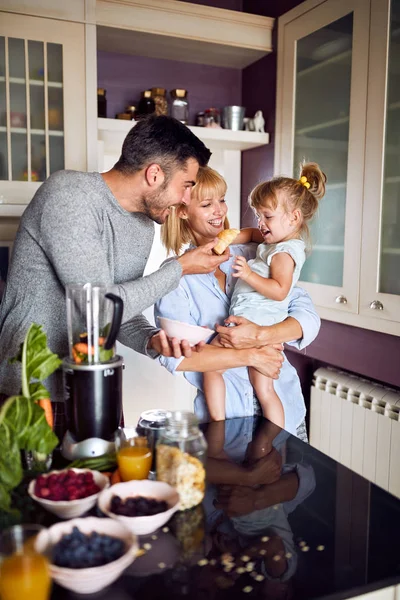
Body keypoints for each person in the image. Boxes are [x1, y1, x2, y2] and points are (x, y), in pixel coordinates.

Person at [0, 116, 231, 407]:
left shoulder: (144, 224)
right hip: (31, 387)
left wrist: (152, 339)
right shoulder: (70, 196)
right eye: (185, 185)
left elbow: (117, 309)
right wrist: (181, 267)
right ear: (154, 174)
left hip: (95, 382)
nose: (186, 199)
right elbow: (99, 307)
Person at [155, 166, 321, 438]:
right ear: (182, 210)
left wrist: (260, 334)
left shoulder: (259, 251)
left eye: (222, 199)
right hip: (228, 421)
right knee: (232, 480)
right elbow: (178, 355)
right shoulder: (173, 275)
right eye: (208, 204)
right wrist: (251, 354)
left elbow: (307, 317)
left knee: (288, 477)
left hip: (285, 409)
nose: (220, 211)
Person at [203, 162, 326, 425]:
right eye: (259, 215)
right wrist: (223, 239)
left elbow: (280, 291)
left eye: (267, 216)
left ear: (293, 218)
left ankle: (218, 425)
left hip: (258, 325)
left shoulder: (283, 253)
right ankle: (270, 441)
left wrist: (248, 275)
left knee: (212, 366)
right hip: (255, 325)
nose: (261, 223)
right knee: (266, 391)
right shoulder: (275, 242)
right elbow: (248, 233)